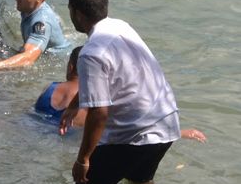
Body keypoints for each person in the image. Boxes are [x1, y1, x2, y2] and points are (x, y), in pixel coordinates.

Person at [59, 0, 182, 184]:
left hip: (134, 133)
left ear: (76, 13)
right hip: (167, 123)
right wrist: (74, 104)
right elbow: (106, 81)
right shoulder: (121, 26)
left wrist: (83, 159)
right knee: (140, 183)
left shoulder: (90, 53)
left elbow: (99, 113)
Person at [34, 46, 207, 142]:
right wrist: (180, 133)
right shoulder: (97, 99)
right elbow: (126, 129)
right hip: (72, 141)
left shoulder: (49, 89)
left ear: (70, 67)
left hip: (38, 134)